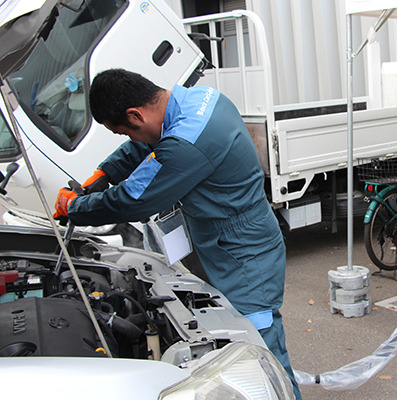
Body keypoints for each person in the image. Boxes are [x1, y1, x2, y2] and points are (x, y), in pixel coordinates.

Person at [53, 68, 301, 398]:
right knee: (228, 341)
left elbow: (134, 199)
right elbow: (148, 143)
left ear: (135, 114)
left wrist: (75, 208)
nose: (131, 141)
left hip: (245, 253)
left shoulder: (186, 140)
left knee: (257, 346)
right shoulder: (196, 100)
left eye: (125, 132)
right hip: (222, 240)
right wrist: (102, 174)